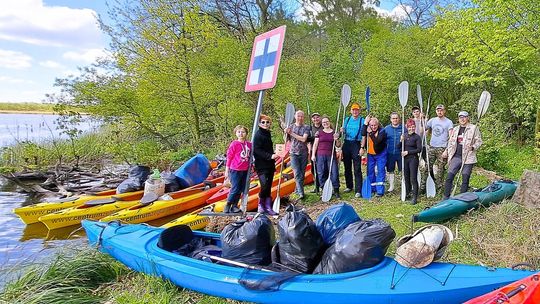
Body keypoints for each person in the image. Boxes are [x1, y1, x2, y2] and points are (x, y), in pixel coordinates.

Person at [442, 111, 483, 199]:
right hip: (456, 156)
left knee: (465, 177)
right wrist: (446, 151)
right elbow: (450, 142)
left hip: (468, 157)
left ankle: (462, 198)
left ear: (467, 118)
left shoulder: (474, 128)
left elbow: (479, 141)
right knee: (449, 177)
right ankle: (445, 197)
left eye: (464, 117)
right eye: (460, 117)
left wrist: (473, 147)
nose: (462, 119)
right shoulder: (455, 129)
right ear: (458, 119)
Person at [253, 115, 279, 215]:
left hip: (270, 164)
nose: (265, 124)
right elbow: (257, 150)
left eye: (267, 122)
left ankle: (268, 206)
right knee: (264, 184)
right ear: (259, 123)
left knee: (268, 185)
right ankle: (260, 205)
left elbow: (268, 148)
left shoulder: (267, 134)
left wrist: (276, 153)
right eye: (263, 122)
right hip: (261, 165)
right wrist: (270, 156)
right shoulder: (258, 135)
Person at [224, 125, 252, 213]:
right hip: (235, 169)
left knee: (241, 188)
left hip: (245, 169)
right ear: (236, 133)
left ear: (246, 134)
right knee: (235, 188)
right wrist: (227, 170)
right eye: (239, 132)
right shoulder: (234, 144)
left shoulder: (249, 144)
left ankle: (235, 205)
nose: (241, 134)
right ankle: (228, 204)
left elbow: (251, 156)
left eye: (243, 132)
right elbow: (229, 157)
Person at [425, 104, 453, 192]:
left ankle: (439, 188)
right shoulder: (432, 120)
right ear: (436, 111)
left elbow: (451, 137)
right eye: (438, 110)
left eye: (441, 110)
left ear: (444, 111)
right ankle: (424, 187)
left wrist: (447, 150)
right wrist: (423, 120)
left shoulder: (449, 122)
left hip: (442, 148)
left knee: (441, 169)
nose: (439, 112)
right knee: (427, 167)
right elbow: (423, 129)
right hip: (432, 147)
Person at [311, 116, 341, 198]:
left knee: (334, 173)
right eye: (324, 122)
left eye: (327, 122)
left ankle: (336, 190)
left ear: (329, 122)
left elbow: (338, 145)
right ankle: (325, 190)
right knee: (321, 173)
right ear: (322, 124)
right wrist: (313, 155)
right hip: (320, 155)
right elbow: (315, 144)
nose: (325, 123)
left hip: (331, 155)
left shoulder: (334, 132)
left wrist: (337, 139)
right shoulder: (319, 133)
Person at [340, 102, 365, 198]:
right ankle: (349, 186)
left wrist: (362, 147)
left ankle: (358, 189)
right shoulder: (347, 119)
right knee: (347, 166)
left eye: (357, 110)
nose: (355, 111)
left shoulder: (362, 120)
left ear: (359, 111)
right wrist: (342, 130)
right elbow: (344, 131)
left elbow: (363, 135)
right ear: (351, 111)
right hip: (346, 143)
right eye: (353, 110)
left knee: (357, 168)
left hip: (356, 144)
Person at [285, 110, 310, 200]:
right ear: (295, 116)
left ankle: (297, 189)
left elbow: (304, 139)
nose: (300, 118)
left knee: (302, 173)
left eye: (302, 116)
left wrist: (291, 133)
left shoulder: (306, 127)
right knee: (296, 172)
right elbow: (287, 139)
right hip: (293, 153)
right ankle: (301, 193)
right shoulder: (291, 126)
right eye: (298, 116)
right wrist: (286, 132)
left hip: (303, 152)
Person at [362, 116, 387, 196]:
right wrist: (365, 124)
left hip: (381, 153)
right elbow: (362, 134)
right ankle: (372, 188)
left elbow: (377, 141)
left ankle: (380, 190)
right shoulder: (368, 129)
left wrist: (370, 133)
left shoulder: (382, 131)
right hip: (370, 154)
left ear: (378, 124)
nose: (373, 127)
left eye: (375, 125)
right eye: (371, 125)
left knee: (380, 171)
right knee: (370, 171)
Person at [401, 119, 422, 204]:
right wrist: (401, 140)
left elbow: (419, 149)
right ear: (407, 127)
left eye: (413, 127)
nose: (411, 128)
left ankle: (415, 197)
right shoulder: (404, 135)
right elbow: (399, 146)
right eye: (410, 127)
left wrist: (408, 152)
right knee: (406, 177)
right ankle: (407, 193)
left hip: (413, 159)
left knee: (413, 178)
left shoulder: (417, 137)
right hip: (405, 159)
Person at [384, 112, 403, 192]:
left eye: (396, 118)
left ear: (399, 119)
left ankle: (403, 185)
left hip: (400, 153)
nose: (395, 120)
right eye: (393, 118)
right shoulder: (386, 129)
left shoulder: (403, 128)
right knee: (390, 170)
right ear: (391, 119)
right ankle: (391, 186)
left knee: (402, 169)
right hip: (390, 153)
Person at [307, 112, 323, 193]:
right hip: (313, 151)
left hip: (322, 150)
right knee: (314, 170)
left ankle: (323, 186)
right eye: (314, 118)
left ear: (320, 118)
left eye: (317, 117)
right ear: (312, 119)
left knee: (322, 169)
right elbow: (307, 139)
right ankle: (316, 187)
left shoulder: (323, 126)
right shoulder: (310, 128)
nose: (315, 119)